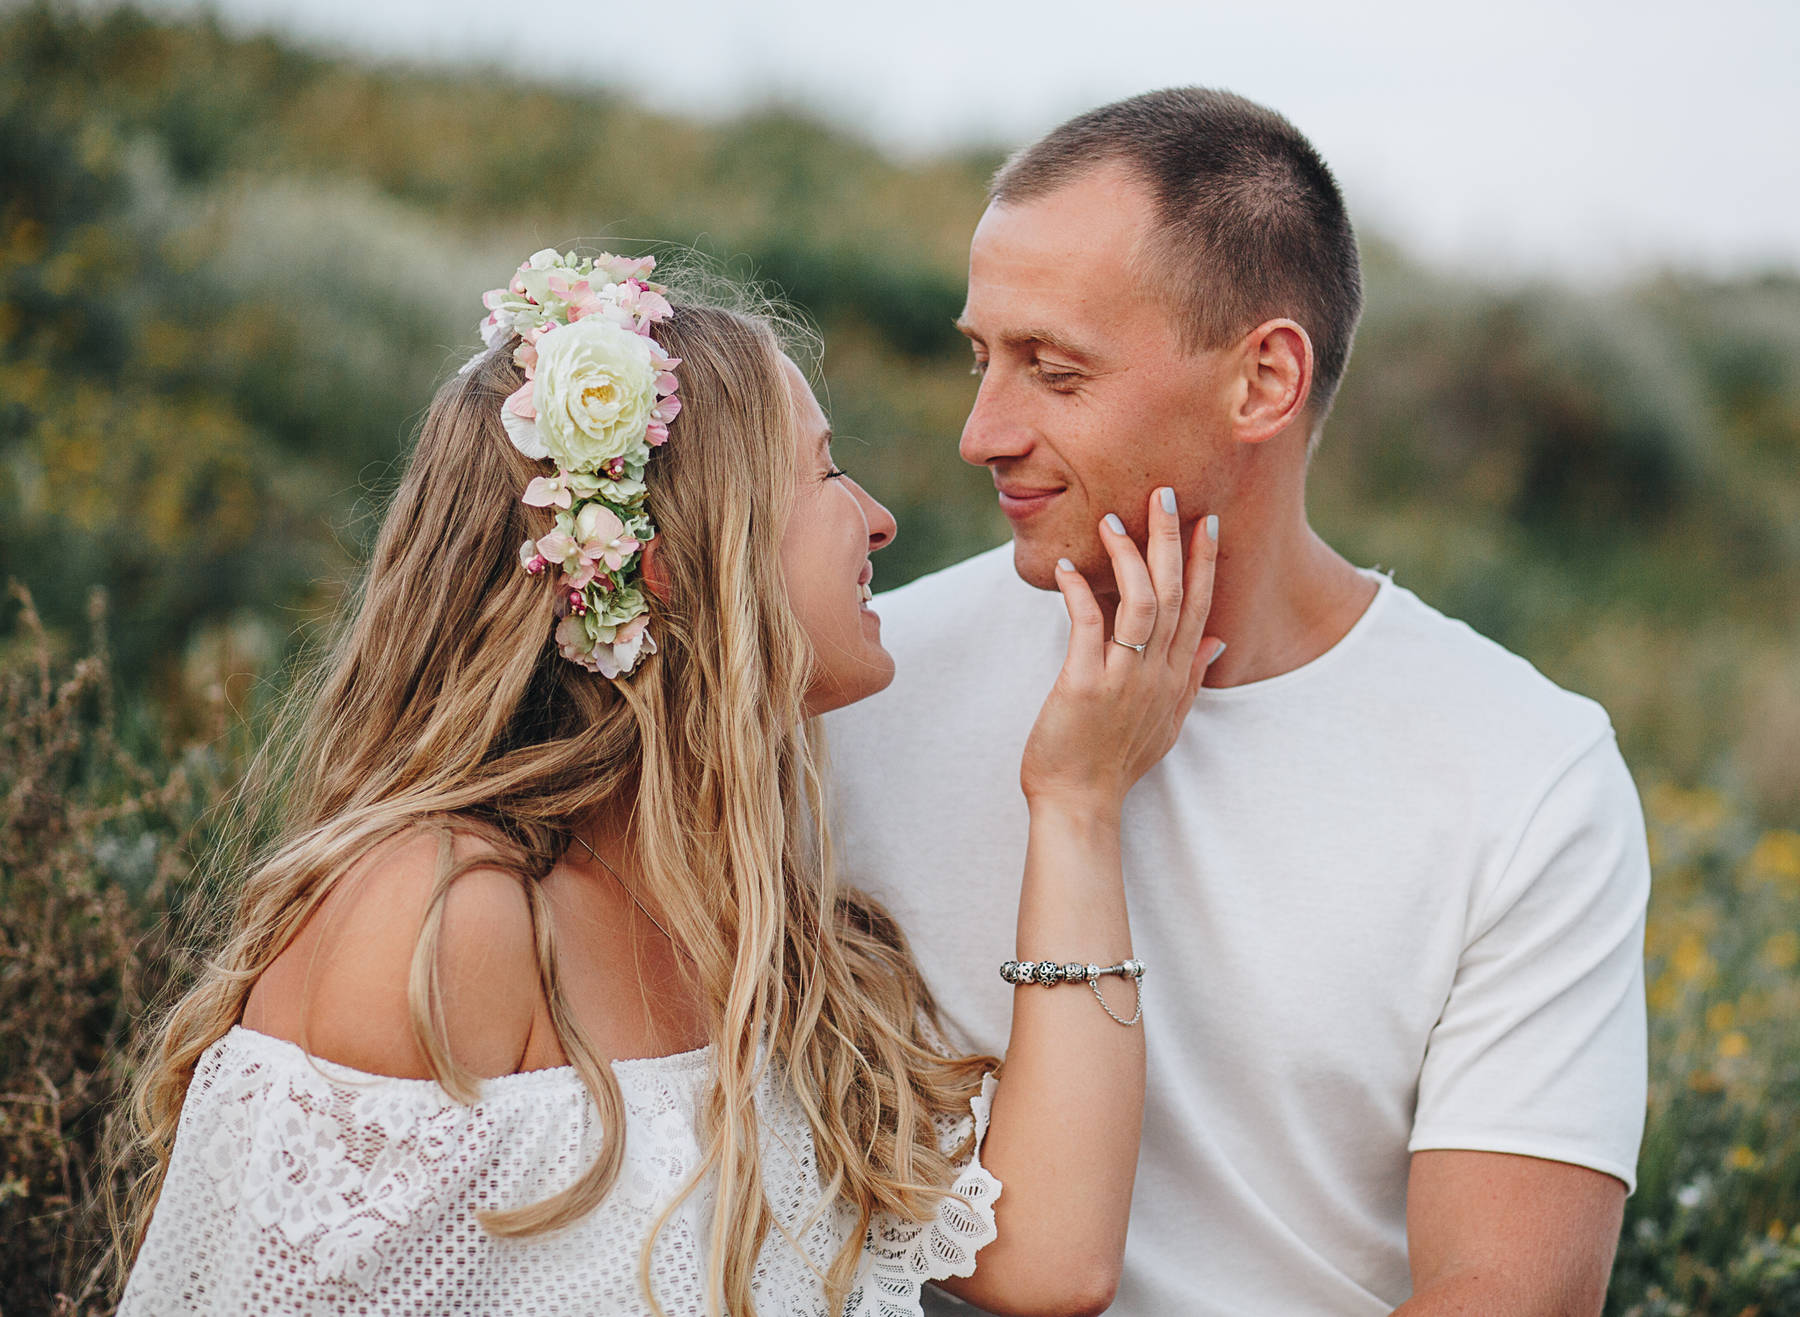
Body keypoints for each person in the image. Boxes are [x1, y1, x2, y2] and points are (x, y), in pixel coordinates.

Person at [112, 251, 1223, 1316]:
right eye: (825, 472)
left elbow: (1050, 1262)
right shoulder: (444, 920)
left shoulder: (746, 912)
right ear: (671, 564)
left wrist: (1078, 805)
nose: (878, 518)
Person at [824, 88, 1650, 1315]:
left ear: (1264, 380)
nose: (979, 432)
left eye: (1054, 370)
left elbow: (1507, 1291)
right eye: (980, 357)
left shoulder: (1528, 768)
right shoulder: (861, 684)